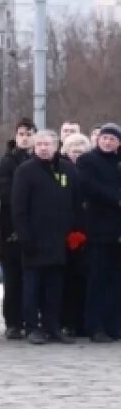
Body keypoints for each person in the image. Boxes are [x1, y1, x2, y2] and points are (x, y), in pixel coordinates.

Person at [12, 129, 79, 345]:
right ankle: (32, 327)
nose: (43, 148)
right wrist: (25, 237)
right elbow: (19, 208)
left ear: (56, 146)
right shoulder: (25, 171)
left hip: (59, 239)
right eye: (39, 144)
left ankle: (53, 326)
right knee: (32, 286)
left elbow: (75, 202)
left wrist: (74, 232)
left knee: (55, 286)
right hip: (34, 239)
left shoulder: (67, 169)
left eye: (47, 144)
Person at [74, 123, 121, 342]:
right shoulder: (87, 160)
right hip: (97, 228)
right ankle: (95, 326)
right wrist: (116, 199)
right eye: (105, 138)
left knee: (116, 280)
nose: (108, 142)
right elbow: (89, 186)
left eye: (113, 139)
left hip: (117, 231)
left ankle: (114, 325)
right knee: (97, 279)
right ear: (98, 139)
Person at [0, 119, 36, 339]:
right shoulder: (7, 162)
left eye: (29, 134)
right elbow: (5, 194)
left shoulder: (41, 160)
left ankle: (31, 320)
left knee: (32, 280)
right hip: (10, 228)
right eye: (21, 134)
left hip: (36, 229)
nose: (25, 138)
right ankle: (12, 322)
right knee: (12, 280)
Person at [59, 132, 92, 338]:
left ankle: (83, 321)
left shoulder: (90, 170)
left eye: (81, 150)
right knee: (67, 280)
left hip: (89, 230)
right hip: (65, 230)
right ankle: (67, 322)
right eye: (74, 150)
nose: (77, 154)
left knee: (84, 279)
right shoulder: (61, 170)